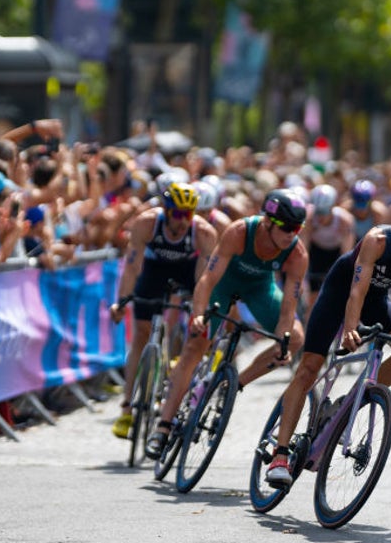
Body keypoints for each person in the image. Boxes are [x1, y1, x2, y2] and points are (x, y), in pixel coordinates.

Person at [264, 194, 391, 486]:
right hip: (340, 292)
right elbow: (356, 291)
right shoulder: (379, 240)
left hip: (375, 299)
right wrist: (350, 329)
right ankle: (280, 454)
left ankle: (345, 405)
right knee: (308, 368)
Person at [146, 190, 309, 460]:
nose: (292, 234)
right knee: (196, 345)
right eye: (287, 227)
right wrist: (199, 314)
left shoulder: (297, 253)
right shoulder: (239, 232)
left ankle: (232, 385)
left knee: (296, 338)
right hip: (223, 285)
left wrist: (283, 339)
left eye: (298, 228)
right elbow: (208, 279)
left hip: (260, 290)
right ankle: (163, 427)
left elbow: (288, 310)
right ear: (267, 221)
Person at [108, 182, 218, 440]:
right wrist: (122, 302)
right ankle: (127, 406)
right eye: (178, 214)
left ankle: (180, 384)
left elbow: (203, 279)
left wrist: (198, 311)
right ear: (166, 210)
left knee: (195, 332)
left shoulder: (203, 231)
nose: (183, 221)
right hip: (154, 270)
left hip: (187, 271)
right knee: (141, 333)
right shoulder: (146, 223)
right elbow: (132, 267)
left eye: (188, 215)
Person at [300, 184, 355, 320]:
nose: (320, 217)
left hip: (336, 253)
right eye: (318, 212)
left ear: (332, 207)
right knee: (313, 296)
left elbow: (346, 254)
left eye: (324, 212)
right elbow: (303, 249)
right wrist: (303, 277)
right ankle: (310, 326)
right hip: (317, 252)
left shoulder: (344, 220)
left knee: (337, 291)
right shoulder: (309, 218)